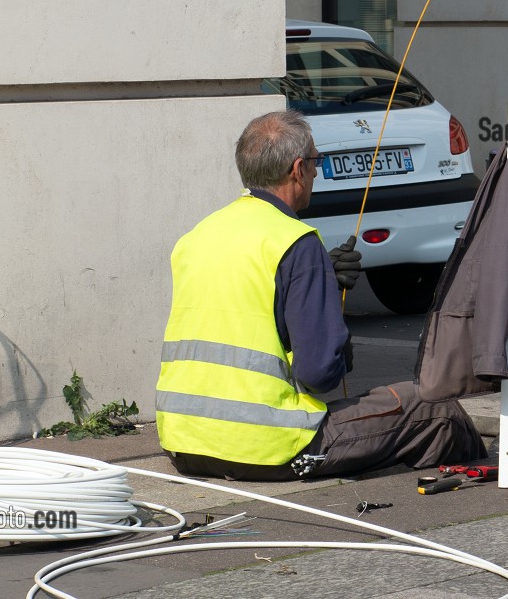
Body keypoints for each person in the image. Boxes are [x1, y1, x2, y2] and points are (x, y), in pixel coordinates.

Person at [156, 110, 485, 481]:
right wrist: (329, 315)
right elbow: (319, 374)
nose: (316, 171)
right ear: (298, 168)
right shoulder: (296, 242)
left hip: (184, 444)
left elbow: (245, 301)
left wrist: (318, 278)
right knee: (434, 410)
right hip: (269, 448)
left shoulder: (198, 236)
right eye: (316, 162)